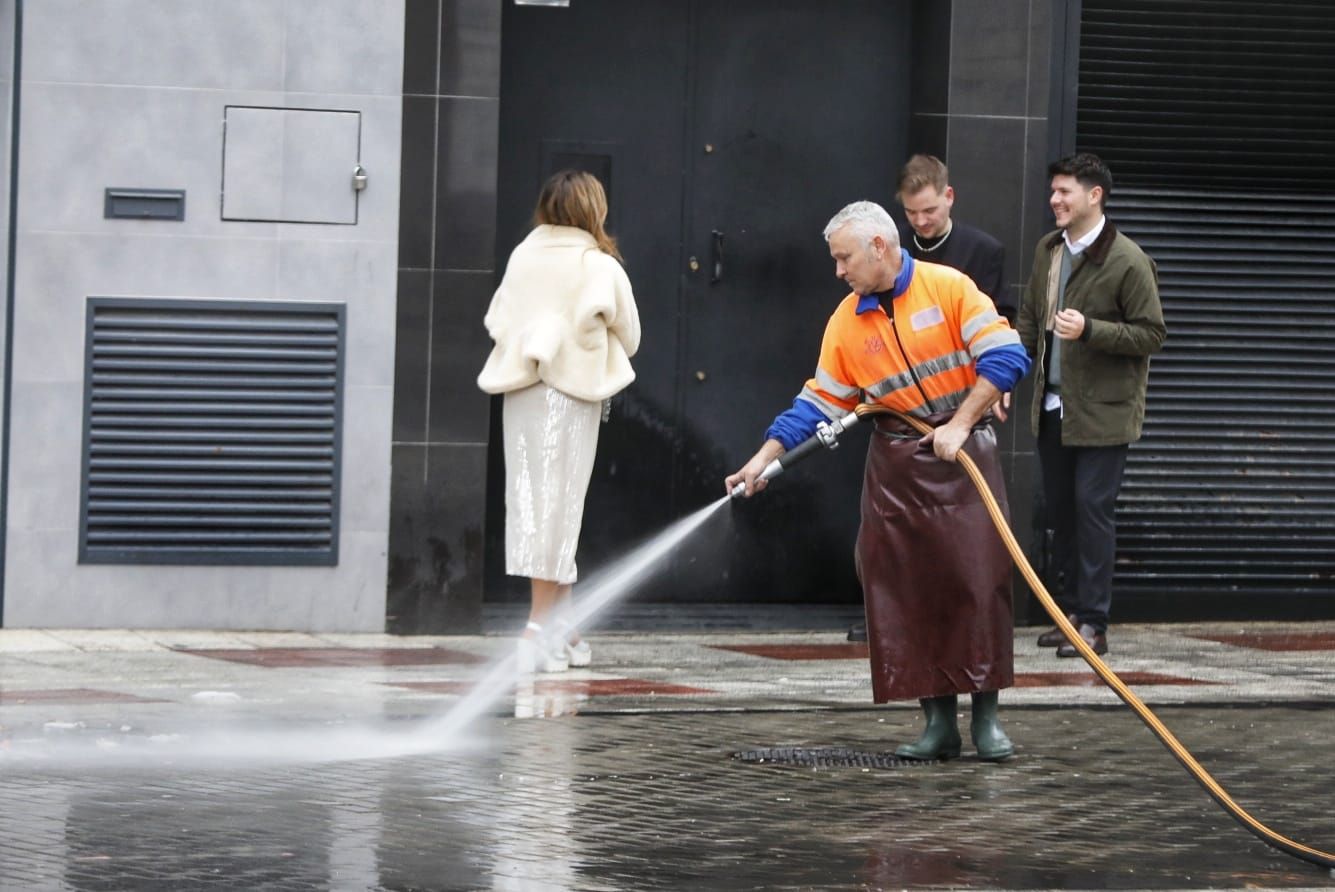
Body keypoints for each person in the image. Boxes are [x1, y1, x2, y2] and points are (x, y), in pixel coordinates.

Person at [727, 201, 1030, 761]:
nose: (838, 271)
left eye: (844, 258)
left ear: (879, 248)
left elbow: (1008, 357)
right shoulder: (847, 319)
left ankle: (986, 720)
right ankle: (937, 721)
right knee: (907, 589)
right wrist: (761, 459)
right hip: (897, 468)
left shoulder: (950, 288)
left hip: (963, 458)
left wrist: (960, 424)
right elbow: (816, 402)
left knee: (978, 583)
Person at [478, 170, 641, 674]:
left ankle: (563, 630)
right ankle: (537, 630)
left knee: (534, 507)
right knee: (560, 509)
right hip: (572, 396)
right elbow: (630, 334)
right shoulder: (596, 264)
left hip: (521, 392)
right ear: (595, 209)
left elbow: (497, 320)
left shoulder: (522, 257)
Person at [846, 153, 1013, 643]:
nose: (921, 222)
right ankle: (889, 616)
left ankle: (966, 637)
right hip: (899, 415)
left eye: (929, 212)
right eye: (912, 214)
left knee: (967, 539)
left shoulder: (978, 254)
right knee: (890, 536)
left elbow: (1000, 329)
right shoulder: (883, 255)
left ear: (948, 198)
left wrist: (985, 397)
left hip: (959, 409)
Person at [1017, 153, 1165, 658]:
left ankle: (1094, 624)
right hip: (1053, 407)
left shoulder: (1127, 259)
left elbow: (1152, 333)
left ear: (1094, 195)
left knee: (1092, 511)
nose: (1054, 200)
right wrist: (1006, 380)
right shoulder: (1048, 250)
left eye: (1064, 192)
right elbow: (1031, 321)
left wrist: (1092, 330)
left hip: (1105, 413)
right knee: (1060, 513)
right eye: (1053, 191)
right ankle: (1070, 614)